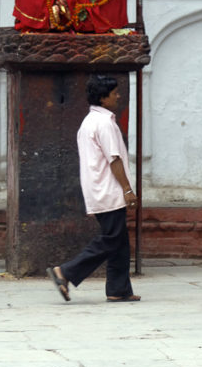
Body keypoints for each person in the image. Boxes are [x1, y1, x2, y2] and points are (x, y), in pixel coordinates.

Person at [47, 75, 139, 303]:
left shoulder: (89, 121)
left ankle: (119, 289)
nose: (118, 96)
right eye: (114, 93)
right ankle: (65, 272)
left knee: (119, 242)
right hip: (109, 189)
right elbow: (114, 159)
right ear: (103, 97)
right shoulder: (105, 123)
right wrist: (127, 190)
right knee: (111, 239)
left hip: (98, 188)